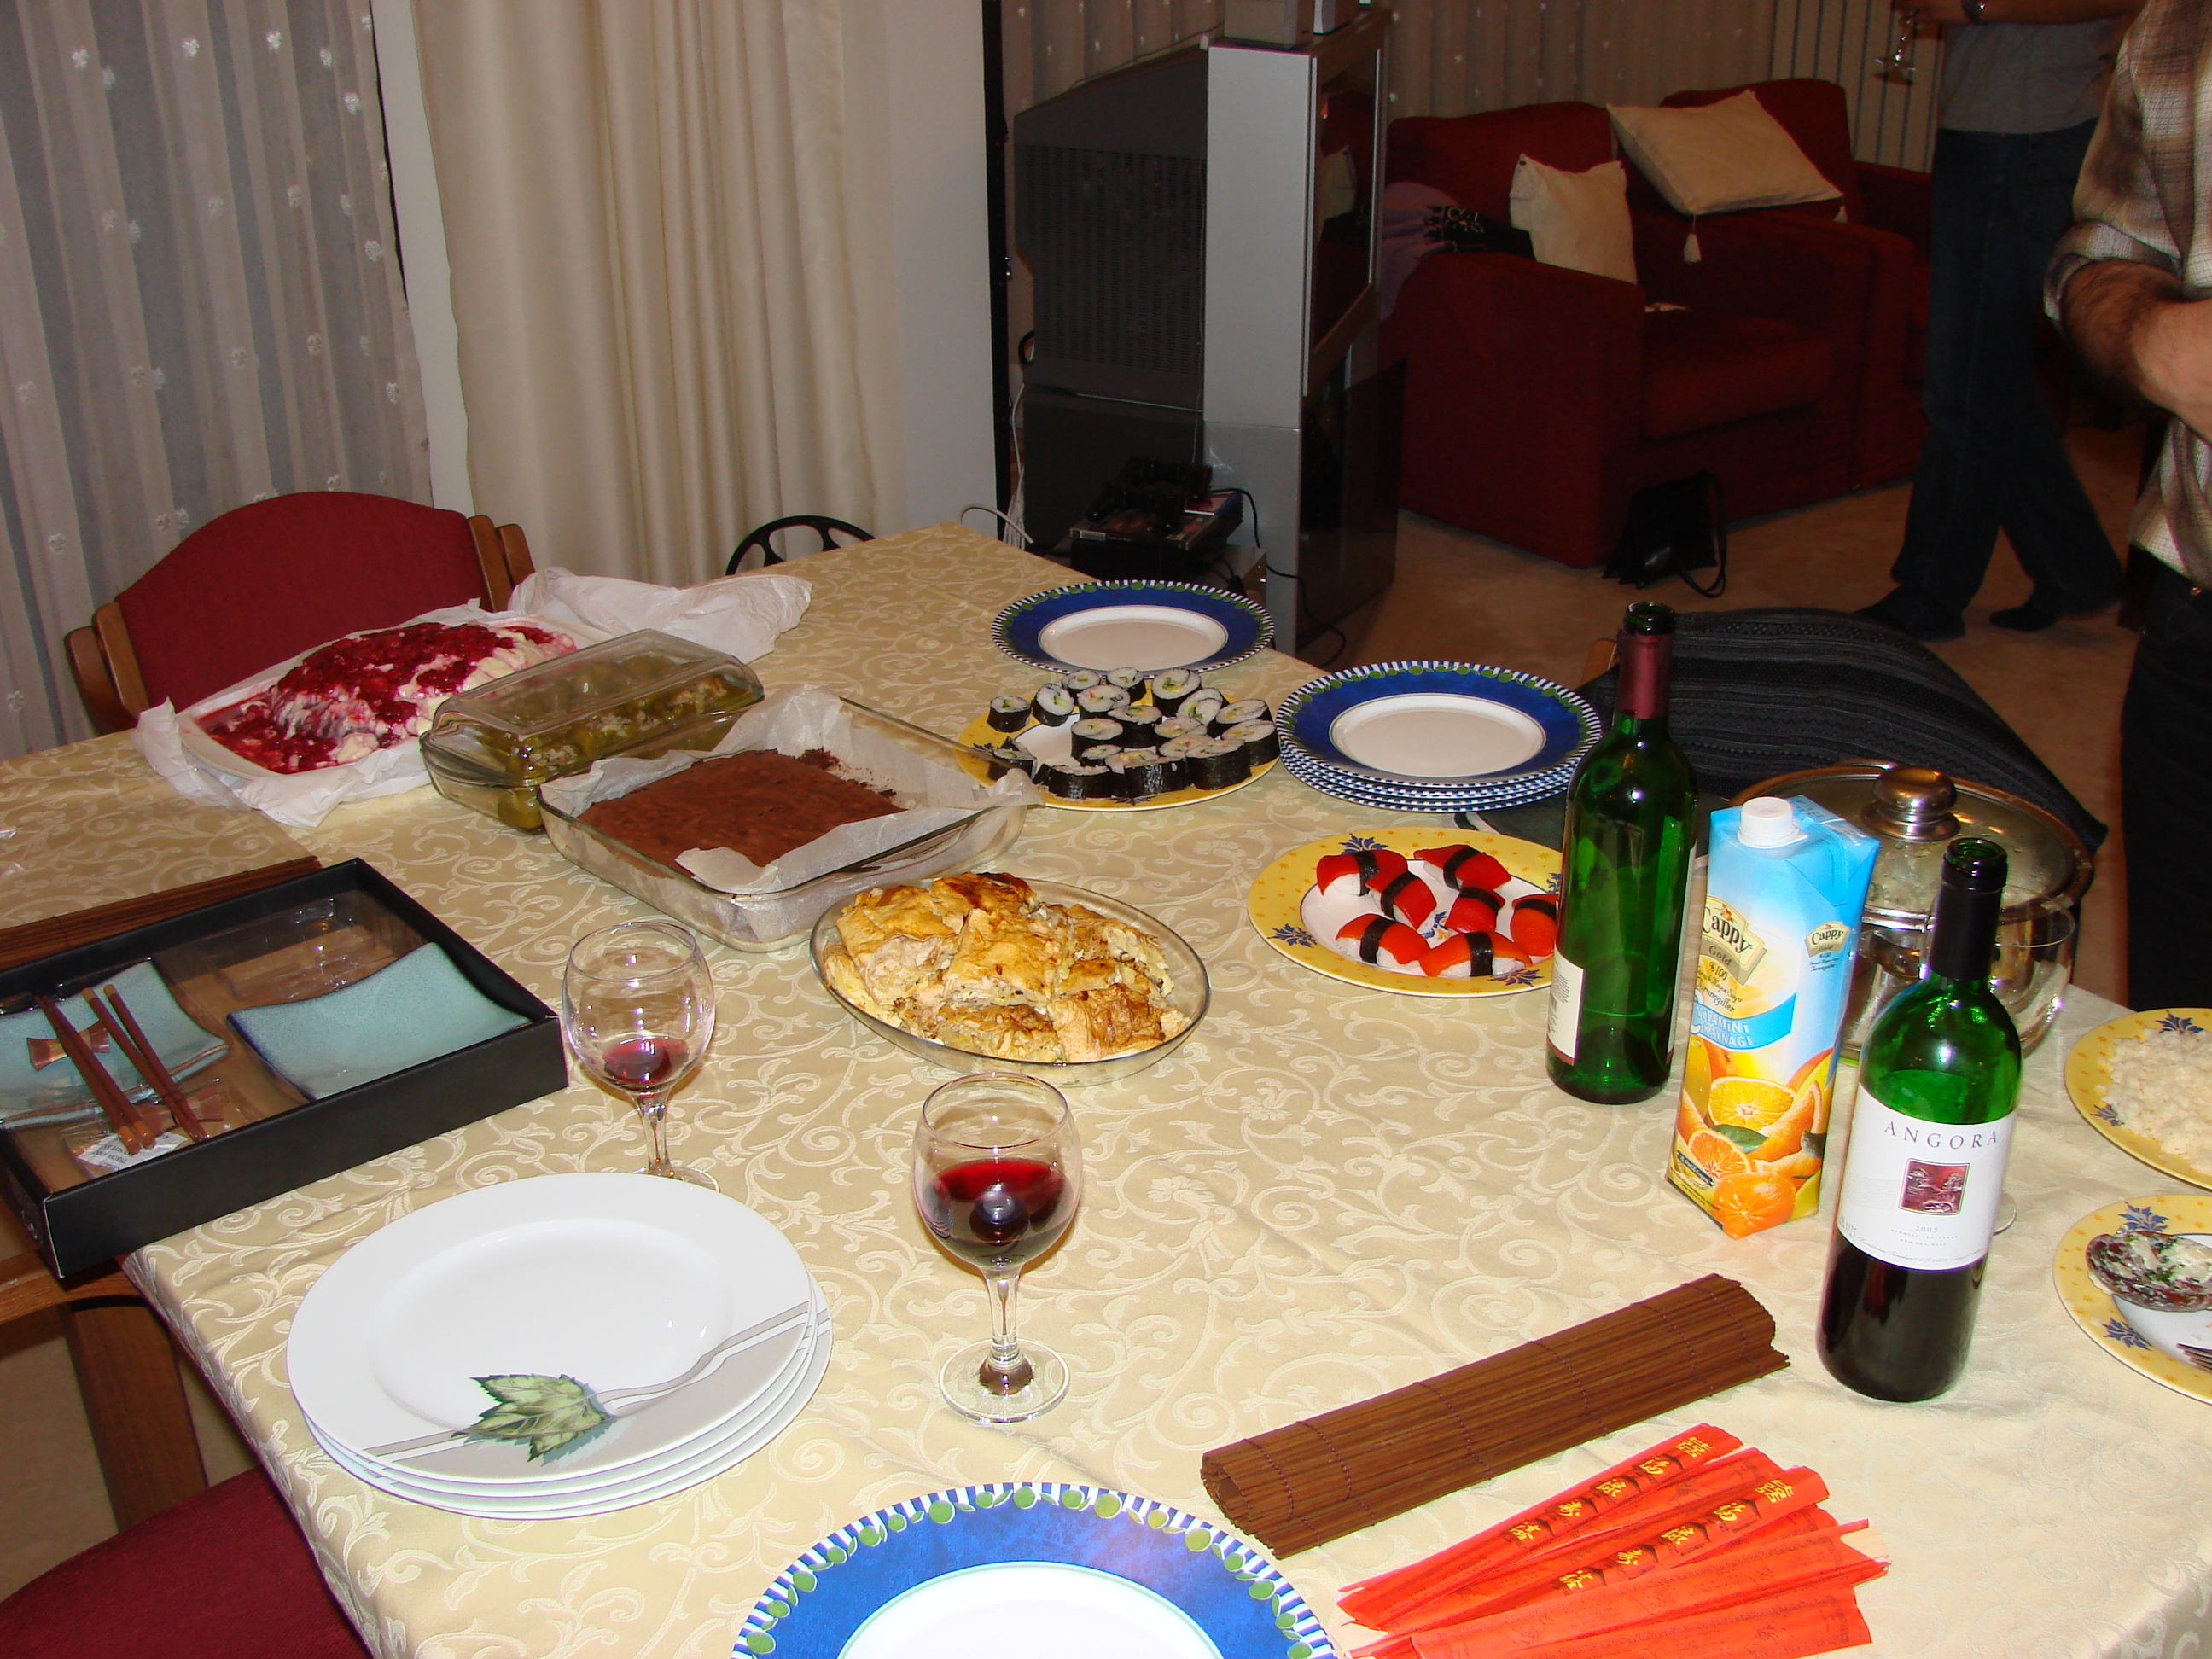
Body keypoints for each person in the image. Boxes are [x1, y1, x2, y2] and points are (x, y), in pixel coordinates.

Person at [1856, 0, 2136, 643]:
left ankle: (1931, 593)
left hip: (2027, 137)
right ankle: (2076, 572)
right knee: (1990, 375)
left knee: (1967, 384)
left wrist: (1972, 7)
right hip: (1991, 132)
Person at [2047, 0, 2212, 1009]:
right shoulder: (2177, 23)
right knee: (2176, 1038)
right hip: (2196, 620)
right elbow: (2095, 257)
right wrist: (2154, 338)